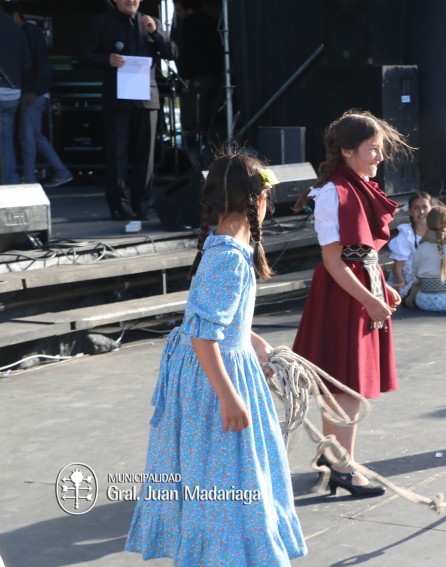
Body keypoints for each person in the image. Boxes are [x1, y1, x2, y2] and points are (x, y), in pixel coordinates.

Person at [125, 152, 307, 564]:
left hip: (220, 365)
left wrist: (258, 345)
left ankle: (227, 551)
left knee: (223, 474)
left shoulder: (224, 249)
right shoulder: (228, 259)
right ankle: (230, 553)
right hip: (216, 378)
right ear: (259, 201)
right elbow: (203, 337)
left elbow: (219, 324)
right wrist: (228, 395)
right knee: (232, 476)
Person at [292, 110, 408, 498]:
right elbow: (333, 260)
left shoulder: (355, 187)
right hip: (344, 296)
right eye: (372, 150)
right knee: (346, 385)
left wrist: (382, 289)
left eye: (379, 150)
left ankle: (334, 457)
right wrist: (370, 299)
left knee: (344, 383)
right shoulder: (333, 193)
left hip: (358, 290)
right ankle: (343, 465)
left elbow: (364, 256)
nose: (378, 157)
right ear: (346, 151)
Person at [80, 0, 177, 221]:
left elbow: (172, 53)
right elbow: (85, 54)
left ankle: (142, 205)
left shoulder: (151, 22)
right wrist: (106, 59)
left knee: (146, 156)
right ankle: (119, 206)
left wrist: (155, 32)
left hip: (146, 98)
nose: (130, 0)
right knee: (117, 154)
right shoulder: (101, 23)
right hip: (117, 98)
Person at [2, 2, 73, 188]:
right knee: (34, 135)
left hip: (33, 93)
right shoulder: (27, 33)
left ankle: (30, 178)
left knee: (28, 137)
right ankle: (60, 170)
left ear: (15, 15)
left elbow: (39, 66)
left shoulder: (29, 34)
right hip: (32, 91)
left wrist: (33, 90)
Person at [171, 0, 222, 165]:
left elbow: (187, 52)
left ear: (184, 8)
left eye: (178, 8)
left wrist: (185, 76)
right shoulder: (212, 21)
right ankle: (210, 160)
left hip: (197, 79)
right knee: (209, 120)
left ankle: (194, 163)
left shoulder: (188, 24)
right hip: (214, 77)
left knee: (192, 122)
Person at [0, 9, 30, 185]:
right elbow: (26, 63)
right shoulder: (14, 28)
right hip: (12, 92)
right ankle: (9, 181)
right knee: (6, 139)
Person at [387, 191, 432, 297]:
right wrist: (400, 282)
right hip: (410, 276)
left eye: (425, 207)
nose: (421, 212)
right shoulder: (407, 234)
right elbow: (398, 264)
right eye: (416, 208)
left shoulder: (436, 231)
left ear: (431, 209)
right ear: (410, 212)